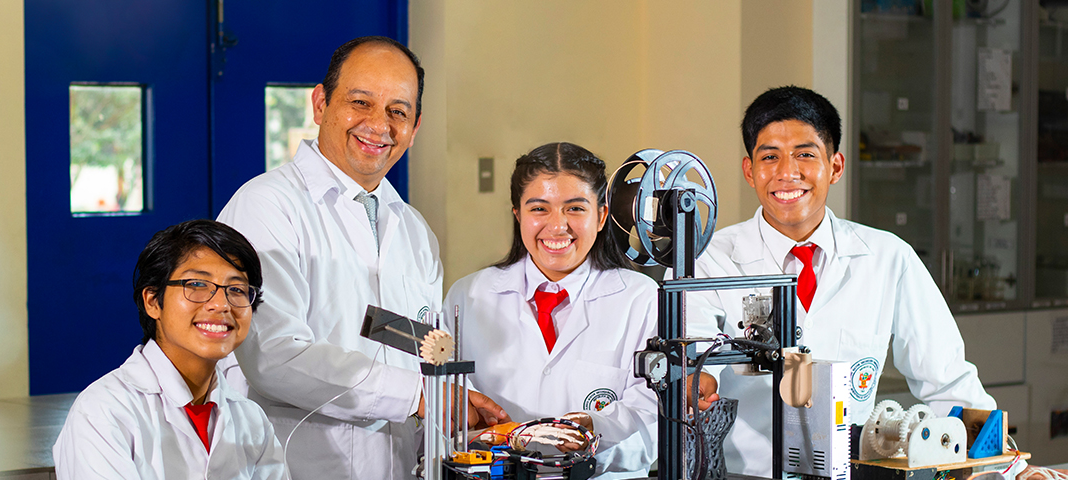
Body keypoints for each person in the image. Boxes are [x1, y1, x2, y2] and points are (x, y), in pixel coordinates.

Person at [217, 36, 508, 479]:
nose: (379, 124)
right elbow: (273, 356)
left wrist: (453, 397)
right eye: (360, 102)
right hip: (294, 463)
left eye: (398, 111)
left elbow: (418, 348)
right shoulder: (265, 206)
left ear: (415, 126)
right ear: (320, 104)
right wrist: (419, 397)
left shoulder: (414, 230)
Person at [685, 85, 996, 476]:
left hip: (851, 470)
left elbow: (948, 380)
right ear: (750, 170)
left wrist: (1006, 468)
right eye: (770, 157)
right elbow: (689, 361)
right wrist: (695, 382)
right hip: (741, 474)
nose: (786, 173)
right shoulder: (708, 260)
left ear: (835, 166)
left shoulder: (887, 257)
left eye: (805, 155)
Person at [442, 143, 663, 479]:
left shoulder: (640, 298)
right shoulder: (468, 295)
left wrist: (590, 438)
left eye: (575, 208)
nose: (557, 226)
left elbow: (652, 423)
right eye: (539, 209)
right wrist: (504, 444)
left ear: (602, 216)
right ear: (517, 214)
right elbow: (447, 416)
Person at [53, 219, 289, 479]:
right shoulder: (104, 411)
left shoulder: (251, 419)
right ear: (153, 301)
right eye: (197, 285)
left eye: (236, 289)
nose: (221, 305)